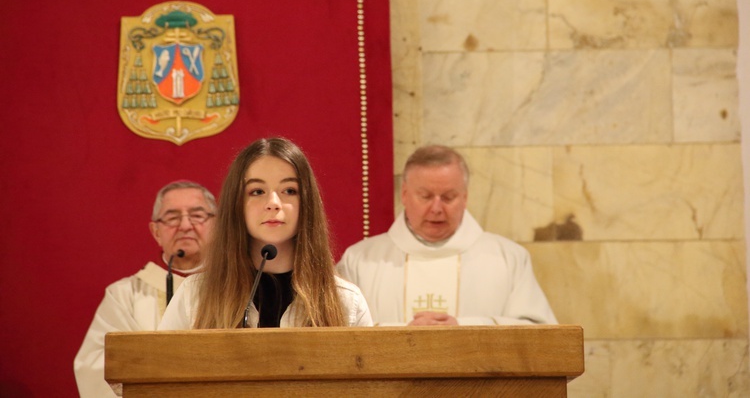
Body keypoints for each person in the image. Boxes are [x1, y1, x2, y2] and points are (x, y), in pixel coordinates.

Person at [159, 137, 372, 330]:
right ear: (237, 205)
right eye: (257, 192)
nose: (273, 203)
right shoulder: (195, 295)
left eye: (289, 191)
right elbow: (163, 369)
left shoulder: (346, 301)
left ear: (307, 203)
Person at [337, 145, 557, 326]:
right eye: (425, 196)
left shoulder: (509, 259)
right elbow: (336, 336)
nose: (436, 208)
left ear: (465, 197)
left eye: (448, 197)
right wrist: (405, 333)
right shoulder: (360, 261)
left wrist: (463, 328)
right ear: (404, 195)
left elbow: (542, 336)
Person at [73, 180, 217, 397]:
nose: (186, 225)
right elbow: (95, 366)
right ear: (156, 231)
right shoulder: (124, 296)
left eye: (197, 215)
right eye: (172, 217)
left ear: (217, 226)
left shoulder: (235, 289)